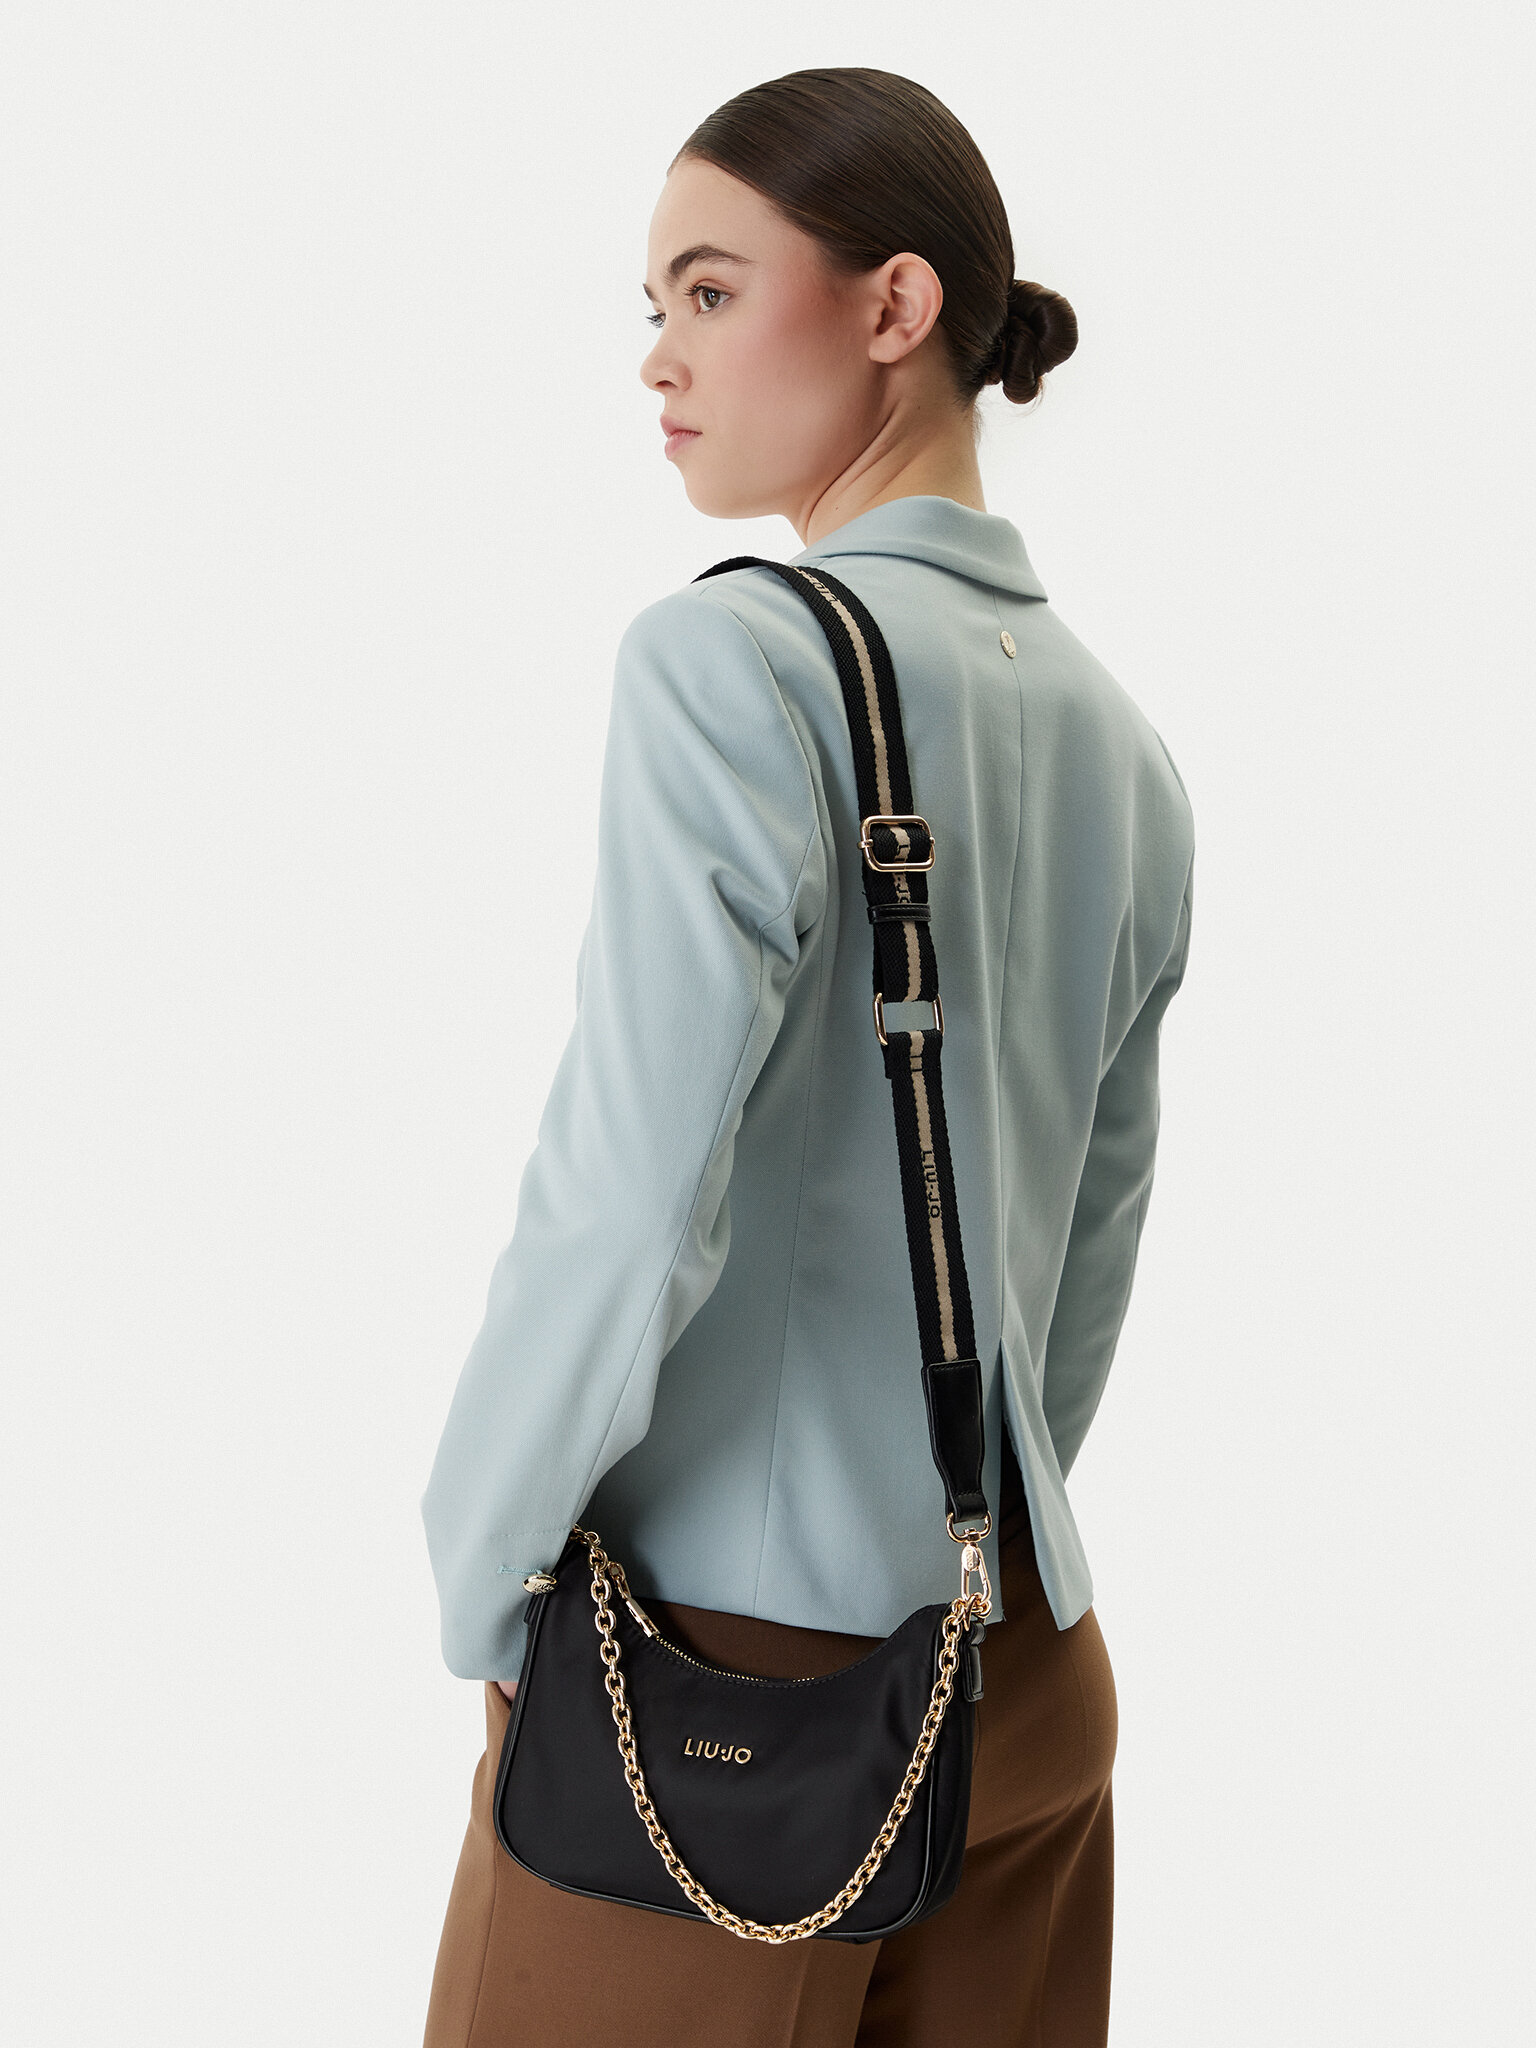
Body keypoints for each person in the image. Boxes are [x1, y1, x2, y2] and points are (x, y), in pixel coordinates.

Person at [420, 65, 1195, 2048]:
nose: (658, 358)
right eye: (655, 306)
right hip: (1021, 1677)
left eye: (708, 289)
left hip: (725, 1708)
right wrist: (954, 1557)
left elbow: (630, 1190)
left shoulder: (733, 664)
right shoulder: (1124, 748)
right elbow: (1083, 1254)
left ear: (894, 306)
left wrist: (487, 1562)